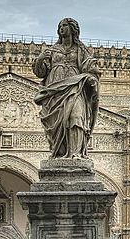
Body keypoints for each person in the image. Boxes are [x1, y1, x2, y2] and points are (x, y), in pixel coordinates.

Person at [32, 17, 100, 159]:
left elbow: (91, 68)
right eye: (60, 26)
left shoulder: (81, 50)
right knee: (57, 124)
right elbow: (40, 73)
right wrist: (40, 59)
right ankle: (60, 152)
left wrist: (91, 77)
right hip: (54, 91)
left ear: (73, 29)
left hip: (75, 88)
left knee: (76, 117)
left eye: (65, 26)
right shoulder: (52, 50)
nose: (61, 28)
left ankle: (75, 153)